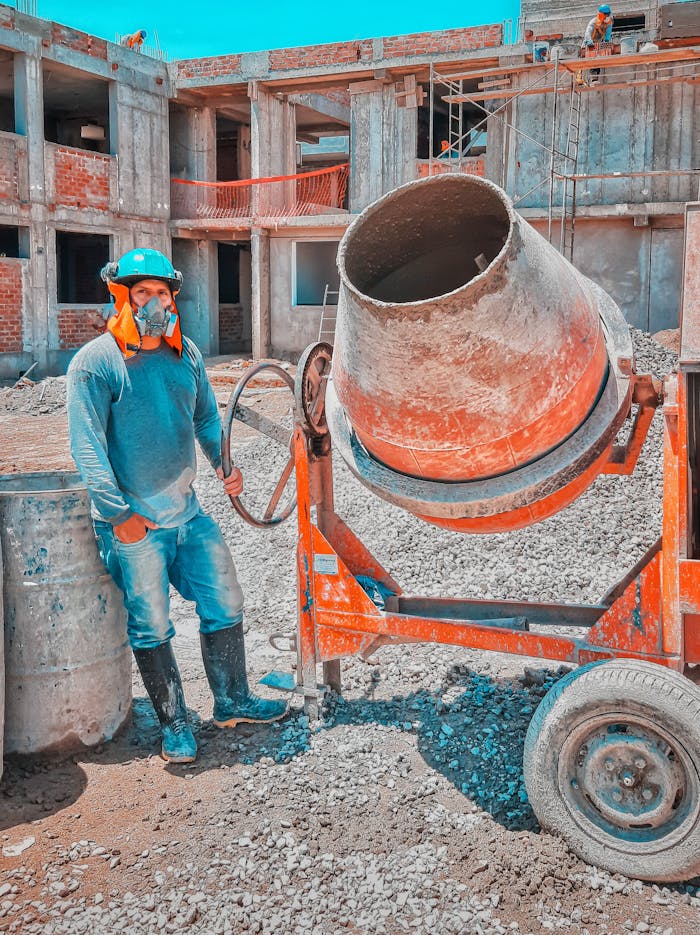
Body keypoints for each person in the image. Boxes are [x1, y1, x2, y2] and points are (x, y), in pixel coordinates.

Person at [67, 248, 288, 764]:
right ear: (120, 296)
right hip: (135, 525)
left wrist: (222, 463)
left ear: (173, 299)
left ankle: (232, 700)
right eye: (141, 293)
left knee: (225, 601)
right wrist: (119, 516)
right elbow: (87, 448)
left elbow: (207, 419)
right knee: (151, 626)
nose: (153, 303)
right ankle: (174, 725)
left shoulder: (184, 354)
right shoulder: (97, 363)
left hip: (187, 515)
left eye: (162, 293)